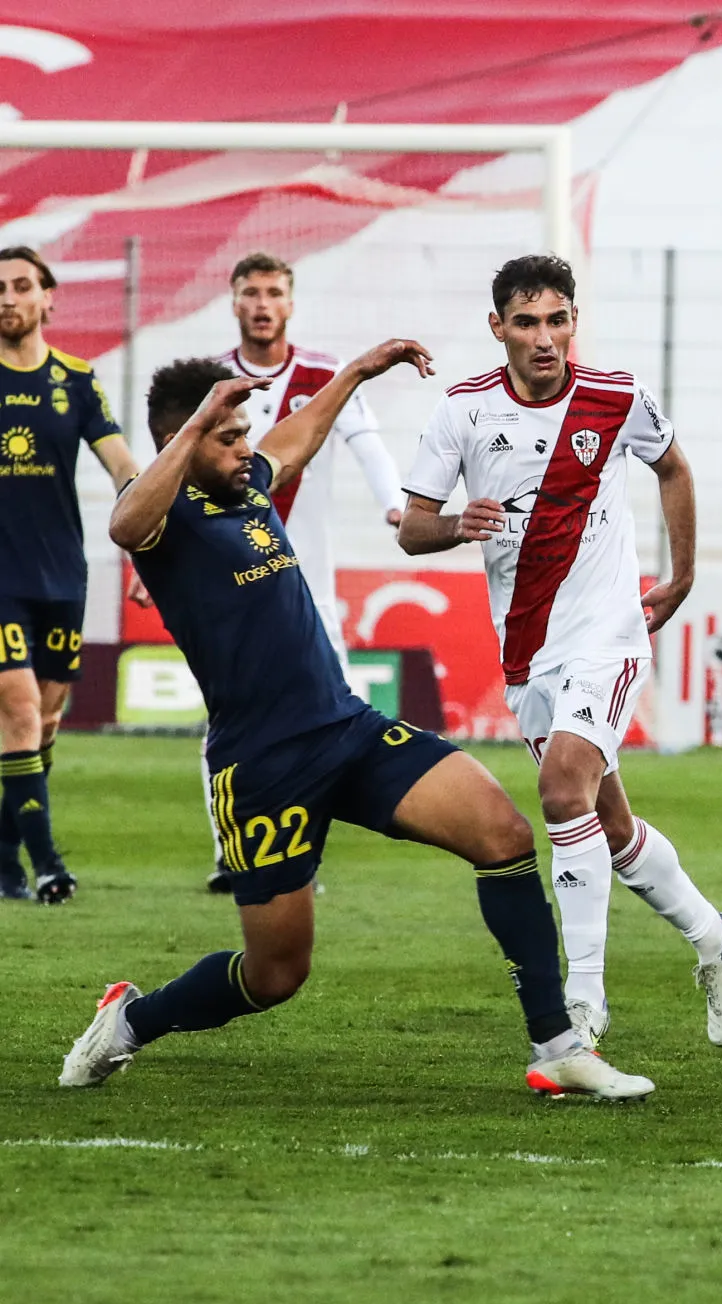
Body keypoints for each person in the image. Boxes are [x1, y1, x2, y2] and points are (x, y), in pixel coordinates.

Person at [60, 351, 650, 1100]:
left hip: (346, 729)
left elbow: (297, 436)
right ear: (185, 438)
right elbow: (121, 522)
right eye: (227, 436)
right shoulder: (164, 518)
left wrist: (355, 375)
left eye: (245, 435)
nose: (247, 448)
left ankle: (558, 1045)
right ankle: (132, 1022)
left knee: (503, 835)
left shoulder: (248, 486)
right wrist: (198, 423)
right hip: (263, 767)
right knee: (276, 974)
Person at [399, 253, 722, 1052]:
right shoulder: (461, 412)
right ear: (498, 329)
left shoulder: (617, 396)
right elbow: (413, 524)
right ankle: (714, 936)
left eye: (558, 319)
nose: (545, 337)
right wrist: (458, 524)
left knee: (562, 790)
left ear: (573, 323)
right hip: (526, 650)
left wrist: (684, 573)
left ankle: (582, 1005)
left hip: (609, 632)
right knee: (608, 822)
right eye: (526, 322)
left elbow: (673, 466)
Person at [193, 252, 409, 893]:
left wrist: (396, 502)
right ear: (234, 302)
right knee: (227, 709)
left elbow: (367, 443)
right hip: (226, 580)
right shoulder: (212, 383)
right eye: (251, 292)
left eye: (274, 292)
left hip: (308, 582)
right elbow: (171, 470)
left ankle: (300, 852)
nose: (262, 304)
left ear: (290, 303)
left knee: (329, 709)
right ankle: (231, 853)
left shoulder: (321, 375)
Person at [0, 246, 140, 904]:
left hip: (62, 575)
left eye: (21, 286)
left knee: (43, 723)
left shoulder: (78, 381)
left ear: (48, 298)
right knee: (21, 712)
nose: (7, 298)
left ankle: (3, 858)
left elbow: (120, 465)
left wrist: (148, 524)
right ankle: (49, 864)